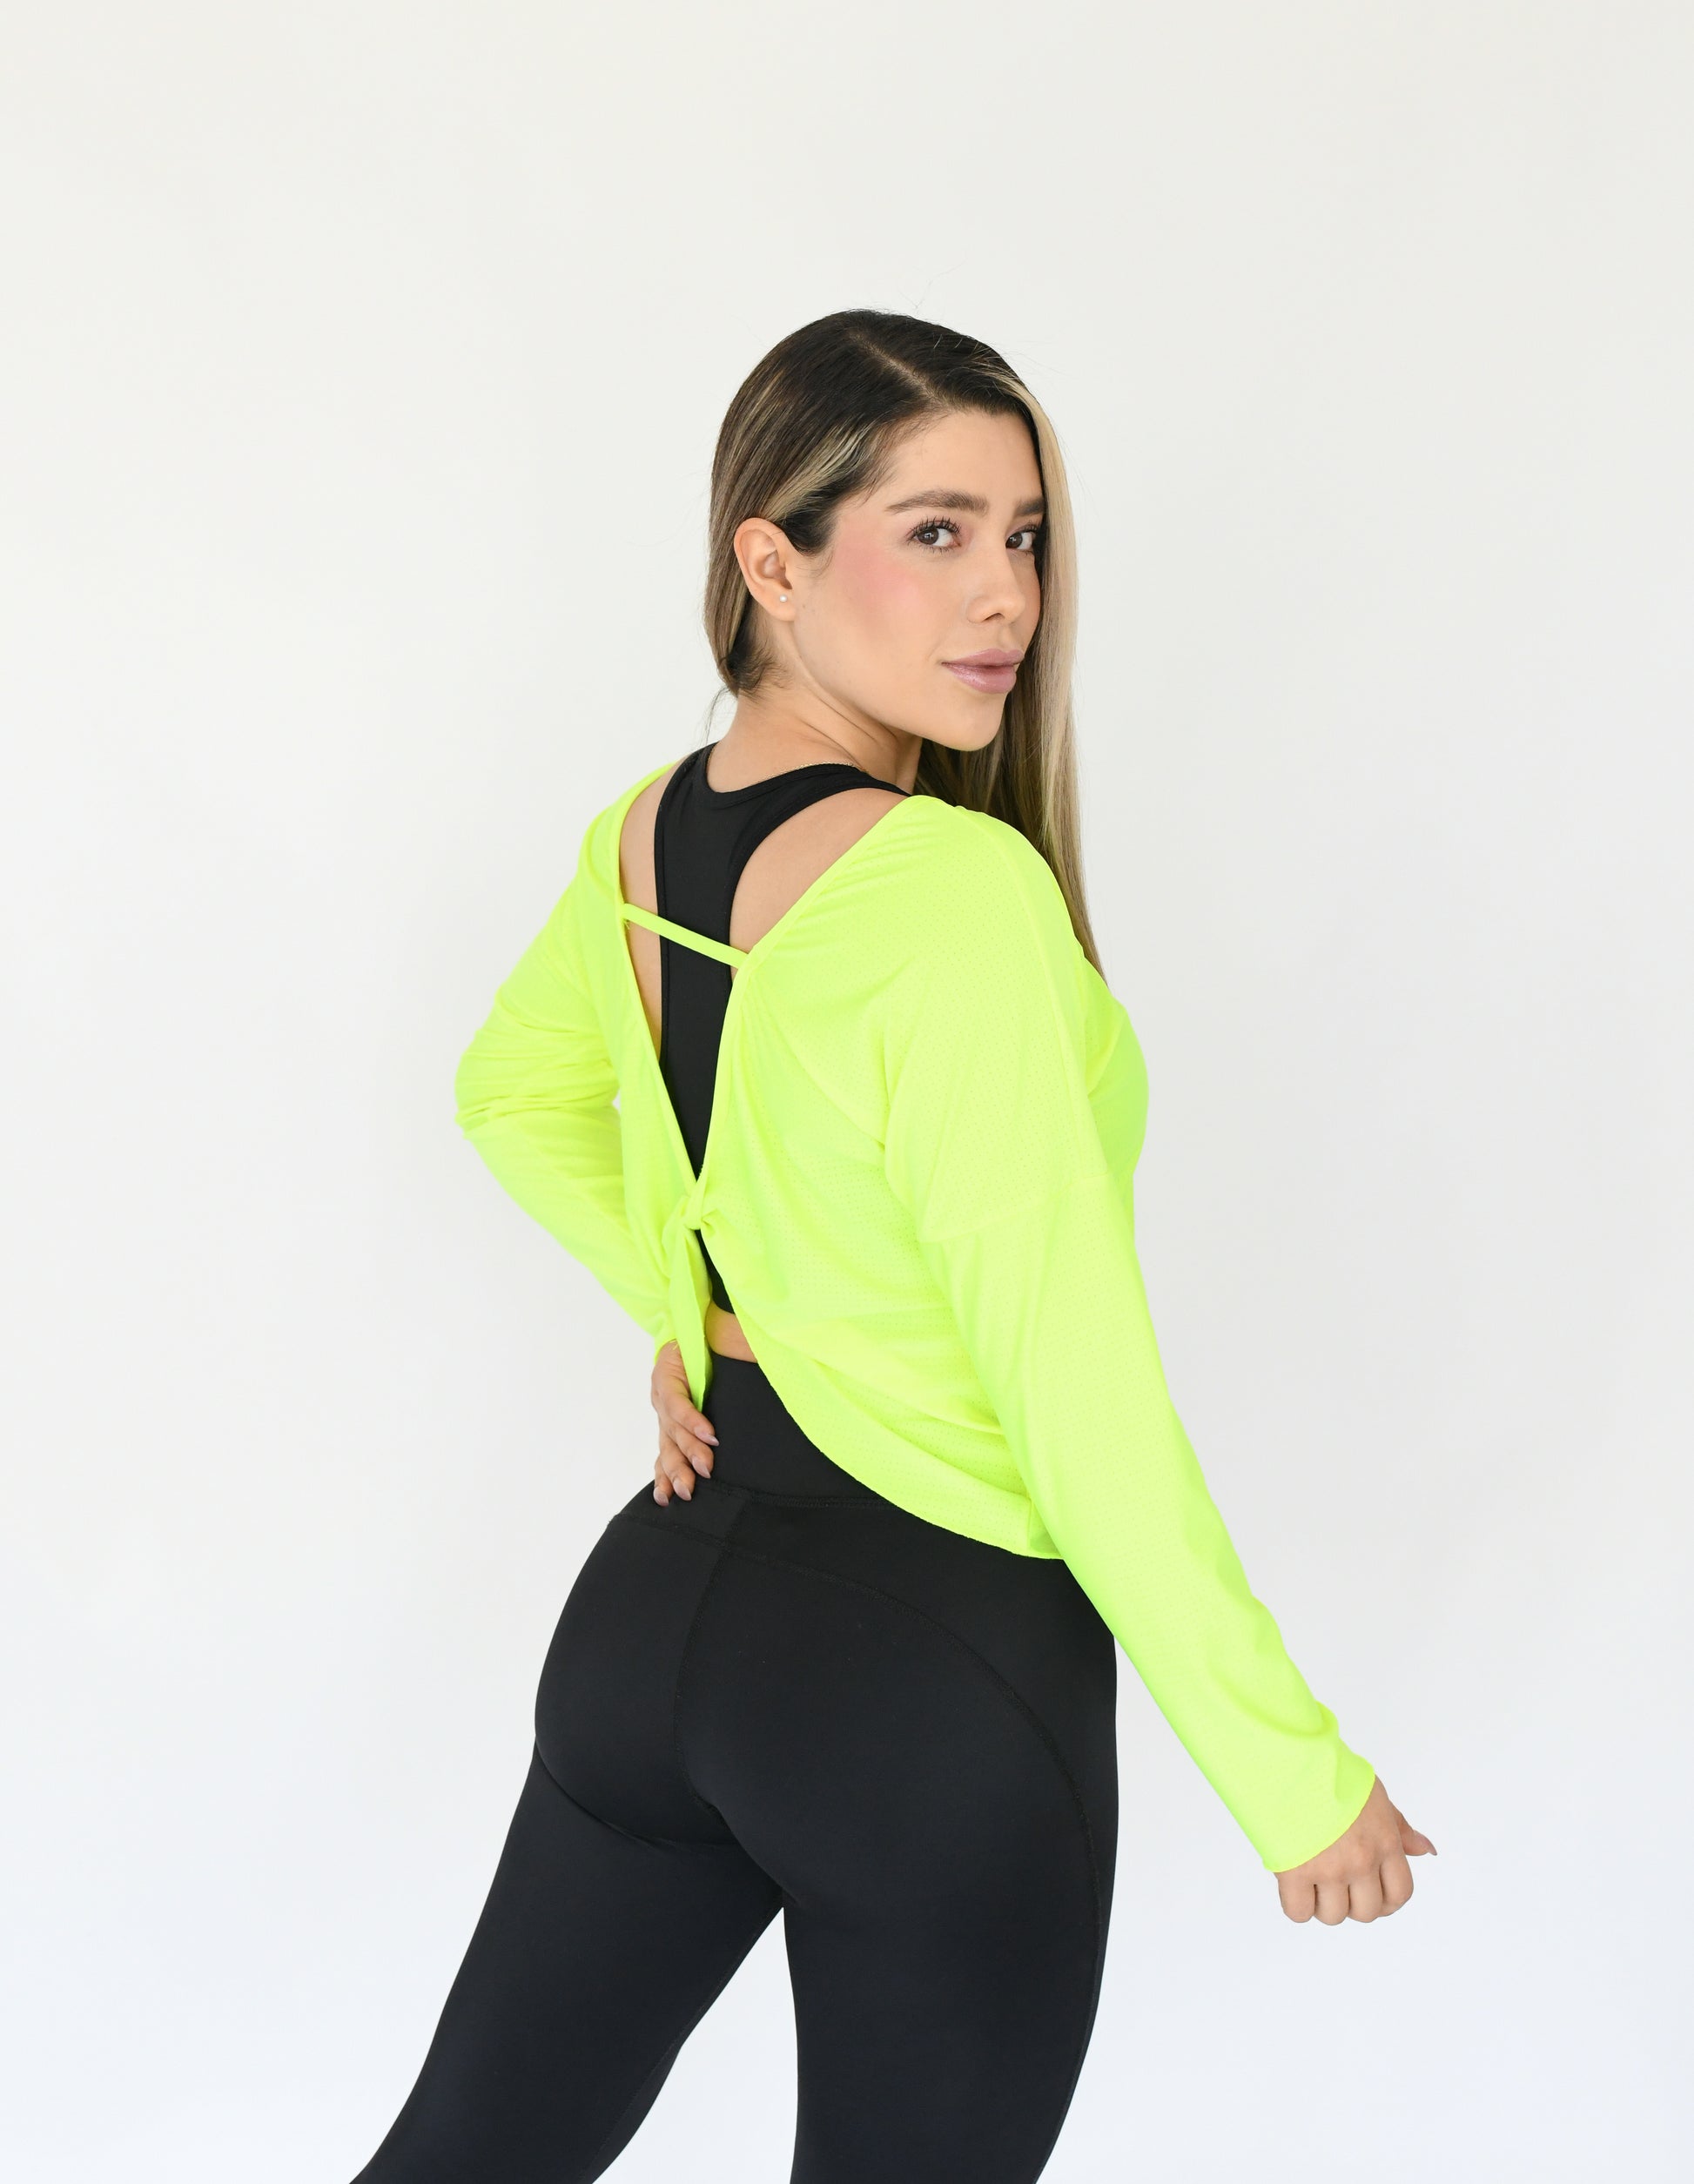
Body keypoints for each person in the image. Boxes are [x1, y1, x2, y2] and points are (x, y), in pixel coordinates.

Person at [350, 308, 1434, 2184]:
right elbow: (1071, 1384)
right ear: (769, 562)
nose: (1003, 592)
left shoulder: (640, 840)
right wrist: (1286, 1768)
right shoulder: (952, 893)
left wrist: (690, 1308)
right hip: (926, 1673)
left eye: (1022, 534)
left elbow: (509, 1095)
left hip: (656, 1619)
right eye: (933, 531)